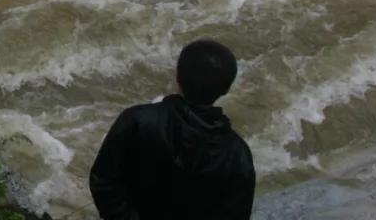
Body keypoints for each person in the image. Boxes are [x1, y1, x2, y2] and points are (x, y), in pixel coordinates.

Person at [89, 39, 256, 220]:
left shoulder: (138, 120)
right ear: (226, 89)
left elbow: (103, 182)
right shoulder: (238, 155)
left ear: (177, 76)